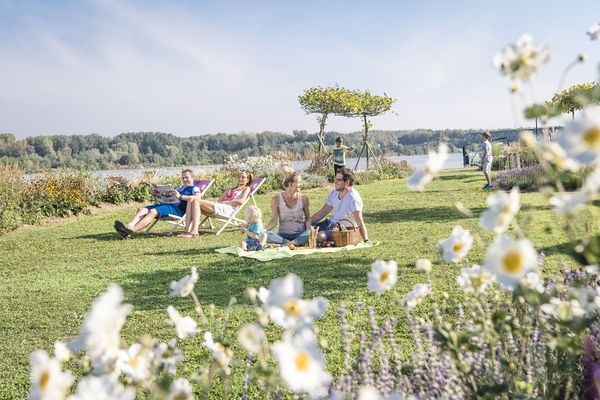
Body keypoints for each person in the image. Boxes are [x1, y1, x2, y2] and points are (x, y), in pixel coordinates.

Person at [114, 169, 201, 239]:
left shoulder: (194, 188)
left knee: (152, 211)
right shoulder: (180, 188)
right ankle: (129, 226)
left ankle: (131, 231)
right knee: (142, 209)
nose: (184, 180)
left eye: (187, 177)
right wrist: (157, 194)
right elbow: (168, 198)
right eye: (183, 178)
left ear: (192, 178)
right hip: (167, 205)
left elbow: (198, 198)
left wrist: (180, 196)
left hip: (177, 210)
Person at [176, 170, 253, 238]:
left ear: (247, 180)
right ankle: (187, 230)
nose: (240, 179)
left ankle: (194, 231)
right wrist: (217, 202)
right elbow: (219, 200)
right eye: (239, 177)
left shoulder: (246, 188)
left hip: (228, 209)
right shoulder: (230, 189)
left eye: (243, 177)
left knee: (196, 200)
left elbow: (241, 201)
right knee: (191, 200)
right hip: (220, 206)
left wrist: (224, 202)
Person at [304, 167, 370, 245]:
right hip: (328, 223)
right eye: (335, 179)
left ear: (347, 182)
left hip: (341, 229)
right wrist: (309, 221)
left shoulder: (354, 198)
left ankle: (301, 241)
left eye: (339, 180)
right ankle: (291, 241)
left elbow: (359, 222)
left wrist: (366, 240)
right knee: (305, 229)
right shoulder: (334, 193)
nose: (335, 182)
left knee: (320, 236)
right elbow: (322, 212)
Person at [265, 168, 311, 249]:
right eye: (299, 182)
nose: (301, 185)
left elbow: (308, 218)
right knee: (265, 235)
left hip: (299, 234)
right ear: (290, 184)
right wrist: (263, 231)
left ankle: (287, 244)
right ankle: (290, 243)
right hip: (283, 236)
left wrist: (308, 229)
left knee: (310, 233)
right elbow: (273, 221)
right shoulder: (276, 199)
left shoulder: (304, 198)